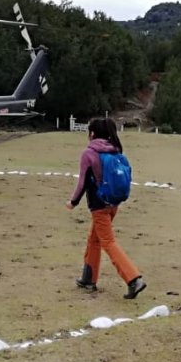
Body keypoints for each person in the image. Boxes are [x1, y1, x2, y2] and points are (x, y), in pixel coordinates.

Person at [66, 117, 146, 299]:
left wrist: (73, 202)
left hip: (99, 205)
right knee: (94, 239)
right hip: (113, 204)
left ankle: (133, 279)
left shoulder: (89, 153)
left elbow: (82, 182)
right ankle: (88, 278)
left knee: (108, 242)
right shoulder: (115, 150)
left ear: (92, 133)